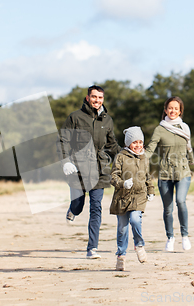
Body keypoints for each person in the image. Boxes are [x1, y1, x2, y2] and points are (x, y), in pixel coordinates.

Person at [57, 85, 121, 259]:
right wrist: (65, 161)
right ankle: (73, 210)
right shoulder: (75, 117)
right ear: (87, 98)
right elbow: (62, 140)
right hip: (77, 168)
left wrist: (126, 155)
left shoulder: (107, 120)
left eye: (100, 98)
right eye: (94, 97)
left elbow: (112, 144)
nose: (97, 100)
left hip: (99, 169)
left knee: (96, 207)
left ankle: (92, 248)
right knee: (78, 204)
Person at [145, 96, 194, 252]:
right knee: (167, 208)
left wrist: (192, 160)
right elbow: (150, 149)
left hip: (183, 172)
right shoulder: (159, 129)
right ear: (165, 110)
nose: (173, 110)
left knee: (181, 201)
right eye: (170, 108)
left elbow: (189, 147)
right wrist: (138, 159)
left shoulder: (185, 128)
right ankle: (170, 238)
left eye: (176, 108)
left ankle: (185, 236)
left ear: (180, 111)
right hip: (165, 174)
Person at [110, 127, 155, 271]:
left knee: (135, 220)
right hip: (122, 197)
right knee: (122, 229)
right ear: (128, 143)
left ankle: (139, 245)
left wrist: (151, 191)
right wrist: (123, 184)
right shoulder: (121, 157)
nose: (138, 145)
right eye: (134, 142)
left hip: (139, 196)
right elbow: (113, 177)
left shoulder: (144, 158)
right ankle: (121, 256)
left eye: (140, 142)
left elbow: (148, 176)